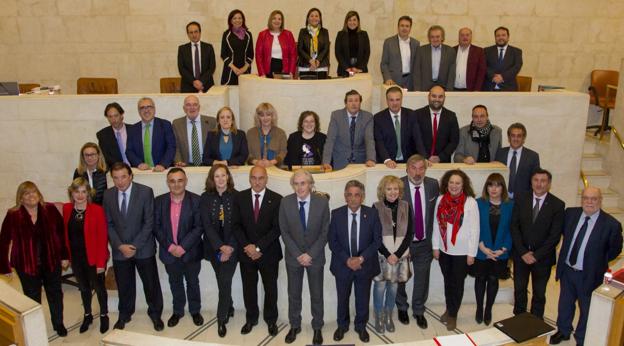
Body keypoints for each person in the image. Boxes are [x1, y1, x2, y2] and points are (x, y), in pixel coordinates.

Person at [550, 187, 623, 346]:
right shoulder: (570, 214)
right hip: (568, 270)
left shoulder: (611, 224)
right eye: (586, 198)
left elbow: (615, 249)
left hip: (589, 275)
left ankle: (581, 338)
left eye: (594, 199)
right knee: (565, 303)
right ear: (581, 199)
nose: (589, 202)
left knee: (586, 309)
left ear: (600, 200)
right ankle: (563, 331)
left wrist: (597, 262)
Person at [0, 181, 69, 336]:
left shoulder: (50, 209)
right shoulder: (13, 214)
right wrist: (4, 267)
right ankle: (36, 328)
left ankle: (58, 324)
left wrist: (64, 255)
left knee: (55, 294)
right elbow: (4, 241)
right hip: (26, 265)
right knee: (32, 298)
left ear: (39, 194)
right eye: (26, 193)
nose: (31, 196)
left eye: (34, 192)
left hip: (51, 261)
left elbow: (61, 233)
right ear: (21, 198)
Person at [102, 162, 164, 331]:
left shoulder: (145, 192)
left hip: (143, 249)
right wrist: (120, 245)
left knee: (151, 284)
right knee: (124, 285)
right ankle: (125, 314)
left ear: (131, 176)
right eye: (115, 178)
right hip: (120, 250)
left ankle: (155, 314)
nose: (120, 181)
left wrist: (135, 246)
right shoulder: (108, 195)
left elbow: (149, 222)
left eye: (123, 177)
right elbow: (108, 224)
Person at [279, 169, 330, 345]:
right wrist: (298, 254)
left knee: (317, 294)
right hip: (293, 258)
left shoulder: (322, 202)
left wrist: (310, 254)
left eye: (303, 183)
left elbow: (325, 232)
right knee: (294, 294)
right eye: (296, 183)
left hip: (315, 257)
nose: (300, 187)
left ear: (310, 184)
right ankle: (295, 325)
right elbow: (284, 232)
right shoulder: (285, 202)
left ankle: (317, 327)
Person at [232, 166, 283, 336]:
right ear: (249, 179)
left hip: (268, 254)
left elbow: (277, 229)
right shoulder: (239, 198)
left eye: (261, 178)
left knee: (270, 289)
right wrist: (248, 246)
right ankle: (251, 318)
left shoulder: (277, 199)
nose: (257, 181)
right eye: (254, 177)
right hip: (247, 254)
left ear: (266, 179)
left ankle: (271, 320)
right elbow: (236, 226)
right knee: (249, 288)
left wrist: (259, 247)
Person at [329, 180, 382, 343]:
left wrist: (360, 258)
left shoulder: (372, 214)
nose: (353, 198)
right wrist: (347, 259)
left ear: (362, 197)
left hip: (364, 265)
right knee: (342, 298)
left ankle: (361, 326)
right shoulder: (336, 214)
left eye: (357, 195)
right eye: (349, 195)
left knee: (362, 298)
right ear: (345, 196)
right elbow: (332, 241)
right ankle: (342, 326)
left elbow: (377, 241)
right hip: (342, 265)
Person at [510, 168, 564, 318]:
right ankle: (519, 318)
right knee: (519, 289)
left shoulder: (558, 205)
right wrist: (523, 252)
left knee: (539, 293)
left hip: (543, 259)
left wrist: (536, 255)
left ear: (549, 183)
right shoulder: (521, 199)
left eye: (543, 181)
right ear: (531, 182)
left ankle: (536, 322)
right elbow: (514, 227)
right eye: (536, 180)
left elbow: (554, 236)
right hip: (521, 256)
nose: (539, 184)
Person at [154, 168, 204, 328]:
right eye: (172, 181)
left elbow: (199, 227)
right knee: (175, 283)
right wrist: (170, 246)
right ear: (167, 183)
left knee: (193, 282)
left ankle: (195, 310)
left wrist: (183, 247)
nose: (176, 184)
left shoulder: (196, 200)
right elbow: (156, 227)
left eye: (180, 180)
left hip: (191, 252)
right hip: (169, 253)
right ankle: (178, 311)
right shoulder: (159, 201)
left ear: (186, 181)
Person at [432, 169, 480, 331]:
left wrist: (471, 253)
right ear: (446, 184)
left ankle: (453, 315)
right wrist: (435, 246)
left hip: (462, 253)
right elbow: (436, 225)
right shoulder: (440, 200)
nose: (454, 186)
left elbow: (475, 230)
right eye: (451, 182)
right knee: (448, 282)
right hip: (445, 250)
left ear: (463, 185)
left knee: (457, 284)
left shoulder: (470, 203)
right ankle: (449, 308)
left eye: (457, 183)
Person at [395, 154, 440, 328]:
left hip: (424, 243)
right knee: (401, 278)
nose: (417, 172)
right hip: (403, 244)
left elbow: (436, 214)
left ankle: (419, 310)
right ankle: (401, 307)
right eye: (413, 168)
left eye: (421, 168)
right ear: (407, 169)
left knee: (422, 279)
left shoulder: (433, 185)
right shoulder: (398, 185)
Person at [63, 177, 110, 333]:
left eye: (84, 191)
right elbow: (64, 235)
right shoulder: (67, 209)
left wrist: (101, 264)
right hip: (76, 258)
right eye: (77, 191)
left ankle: (104, 314)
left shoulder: (97, 210)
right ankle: (88, 315)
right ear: (72, 193)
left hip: (94, 258)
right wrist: (65, 257)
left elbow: (103, 239)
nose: (80, 195)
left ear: (89, 193)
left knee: (99, 288)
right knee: (83, 289)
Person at [372, 176, 413, 334]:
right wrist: (388, 254)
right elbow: (375, 235)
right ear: (383, 191)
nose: (392, 192)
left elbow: (410, 233)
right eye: (389, 189)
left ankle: (389, 315)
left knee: (394, 287)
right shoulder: (376, 207)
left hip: (400, 256)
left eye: (396, 189)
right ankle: (379, 316)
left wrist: (397, 254)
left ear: (400, 191)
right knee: (380, 286)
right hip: (383, 255)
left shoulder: (406, 206)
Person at [200, 164, 238, 337]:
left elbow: (239, 225)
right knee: (222, 280)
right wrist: (220, 247)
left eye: (224, 175)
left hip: (232, 247)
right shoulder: (205, 198)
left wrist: (228, 248)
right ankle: (229, 306)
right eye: (217, 176)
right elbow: (206, 226)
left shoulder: (238, 196)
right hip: (213, 247)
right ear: (212, 179)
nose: (221, 179)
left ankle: (221, 318)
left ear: (228, 177)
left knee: (224, 281)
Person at [474, 173, 513, 326]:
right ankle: (479, 308)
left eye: (498, 185)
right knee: (480, 279)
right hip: (481, 250)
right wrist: (481, 246)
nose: (494, 189)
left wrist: (504, 249)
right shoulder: (478, 203)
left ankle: (488, 309)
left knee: (492, 279)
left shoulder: (510, 205)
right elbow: (472, 227)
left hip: (500, 252)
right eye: (491, 185)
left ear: (503, 187)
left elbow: (513, 229)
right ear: (486, 187)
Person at [322, 89, 376, 170]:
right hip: (340, 160)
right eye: (350, 101)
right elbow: (330, 140)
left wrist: (371, 159)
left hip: (360, 162)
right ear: (345, 103)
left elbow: (369, 140)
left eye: (356, 100)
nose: (353, 103)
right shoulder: (336, 116)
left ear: (360, 102)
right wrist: (326, 162)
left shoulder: (367, 117)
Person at [374, 86, 426, 168]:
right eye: (391, 100)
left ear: (401, 100)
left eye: (397, 100)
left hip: (409, 162)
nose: (395, 103)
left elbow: (417, 139)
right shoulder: (378, 118)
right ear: (387, 101)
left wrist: (423, 158)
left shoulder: (411, 115)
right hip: (387, 162)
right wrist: (387, 160)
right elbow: (379, 142)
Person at [126, 97, 176, 172]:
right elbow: (129, 151)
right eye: (142, 108)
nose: (146, 110)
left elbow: (171, 147)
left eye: (149, 107)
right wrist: (139, 164)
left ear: (154, 109)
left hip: (162, 170)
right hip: (141, 171)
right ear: (139, 111)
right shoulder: (132, 129)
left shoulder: (165, 125)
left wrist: (163, 164)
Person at [415, 85, 459, 163]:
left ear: (444, 98)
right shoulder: (417, 115)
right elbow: (415, 139)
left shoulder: (451, 116)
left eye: (440, 97)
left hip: (443, 161)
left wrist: (440, 157)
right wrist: (425, 157)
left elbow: (454, 141)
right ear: (428, 97)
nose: (437, 99)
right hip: (420, 161)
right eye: (434, 96)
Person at [495, 123, 540, 198]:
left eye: (519, 136)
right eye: (513, 135)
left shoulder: (533, 156)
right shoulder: (500, 153)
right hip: (502, 198)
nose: (515, 139)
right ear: (509, 137)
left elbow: (535, 180)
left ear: (523, 138)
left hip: (523, 200)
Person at [172, 95, 217, 166]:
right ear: (184, 108)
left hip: (208, 165)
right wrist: (179, 161)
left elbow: (217, 145)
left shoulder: (211, 122)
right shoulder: (177, 124)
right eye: (188, 105)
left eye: (195, 105)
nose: (192, 108)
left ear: (199, 107)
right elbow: (175, 146)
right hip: (185, 166)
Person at [380, 16, 419, 90]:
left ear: (410, 28)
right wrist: (387, 78)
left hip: (410, 82)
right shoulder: (388, 42)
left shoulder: (416, 43)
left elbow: (417, 65)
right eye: (402, 25)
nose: (404, 28)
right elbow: (384, 63)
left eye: (407, 26)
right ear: (398, 27)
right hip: (393, 81)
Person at [255, 10, 297, 78]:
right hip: (268, 70)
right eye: (274, 18)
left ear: (282, 21)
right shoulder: (262, 35)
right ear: (270, 20)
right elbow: (258, 56)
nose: (277, 21)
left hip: (285, 69)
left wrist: (291, 72)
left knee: (282, 88)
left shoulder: (288, 34)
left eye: (279, 19)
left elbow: (293, 55)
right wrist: (262, 73)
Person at [414, 25, 456, 91]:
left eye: (437, 37)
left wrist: (449, 90)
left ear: (442, 37)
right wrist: (417, 90)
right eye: (432, 37)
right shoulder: (420, 51)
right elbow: (416, 72)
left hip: (443, 88)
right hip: (424, 88)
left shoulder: (450, 51)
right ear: (429, 38)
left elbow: (451, 74)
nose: (435, 39)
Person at [177, 21, 216, 93]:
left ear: (200, 32)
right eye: (191, 32)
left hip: (206, 85)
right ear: (188, 34)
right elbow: (181, 69)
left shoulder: (208, 47)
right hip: (188, 86)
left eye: (196, 32)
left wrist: (201, 81)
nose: (194, 35)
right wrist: (194, 82)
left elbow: (212, 67)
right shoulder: (182, 49)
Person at [246, 102, 288, 167]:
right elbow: (246, 153)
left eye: (268, 115)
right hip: (255, 169)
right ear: (258, 117)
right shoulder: (250, 133)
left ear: (272, 116)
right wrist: (256, 162)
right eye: (262, 115)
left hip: (276, 169)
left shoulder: (281, 133)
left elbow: (283, 152)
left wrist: (271, 162)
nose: (265, 118)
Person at [221, 9, 254, 86]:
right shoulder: (226, 34)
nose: (237, 20)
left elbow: (251, 54)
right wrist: (235, 69)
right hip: (230, 71)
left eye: (240, 18)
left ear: (243, 20)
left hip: (245, 72)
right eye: (234, 18)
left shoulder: (248, 35)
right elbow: (223, 54)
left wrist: (243, 69)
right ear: (231, 21)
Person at [484, 26, 523, 91]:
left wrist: (502, 77)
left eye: (503, 35)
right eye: (498, 35)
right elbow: (484, 66)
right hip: (489, 88)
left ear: (508, 37)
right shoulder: (486, 51)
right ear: (495, 38)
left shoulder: (517, 51)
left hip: (509, 88)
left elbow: (517, 67)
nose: (500, 37)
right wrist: (493, 76)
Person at [297, 8, 330, 79]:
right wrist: (310, 60)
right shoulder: (302, 31)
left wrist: (318, 60)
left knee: (321, 89)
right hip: (305, 66)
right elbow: (300, 49)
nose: (314, 18)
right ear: (308, 18)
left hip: (321, 66)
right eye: (311, 16)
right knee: (305, 89)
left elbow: (326, 48)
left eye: (316, 16)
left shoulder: (325, 32)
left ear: (320, 18)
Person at [334, 11, 370, 77]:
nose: (352, 22)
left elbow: (367, 53)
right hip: (344, 70)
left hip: (360, 70)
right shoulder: (340, 34)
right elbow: (338, 53)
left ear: (358, 22)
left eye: (354, 20)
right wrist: (347, 68)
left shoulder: (364, 34)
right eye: (349, 20)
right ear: (346, 22)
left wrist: (359, 68)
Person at [97, 102, 129, 168]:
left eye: (116, 115)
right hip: (115, 170)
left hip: (137, 168)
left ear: (122, 115)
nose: (113, 119)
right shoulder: (102, 135)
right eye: (110, 117)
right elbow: (105, 157)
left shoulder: (134, 129)